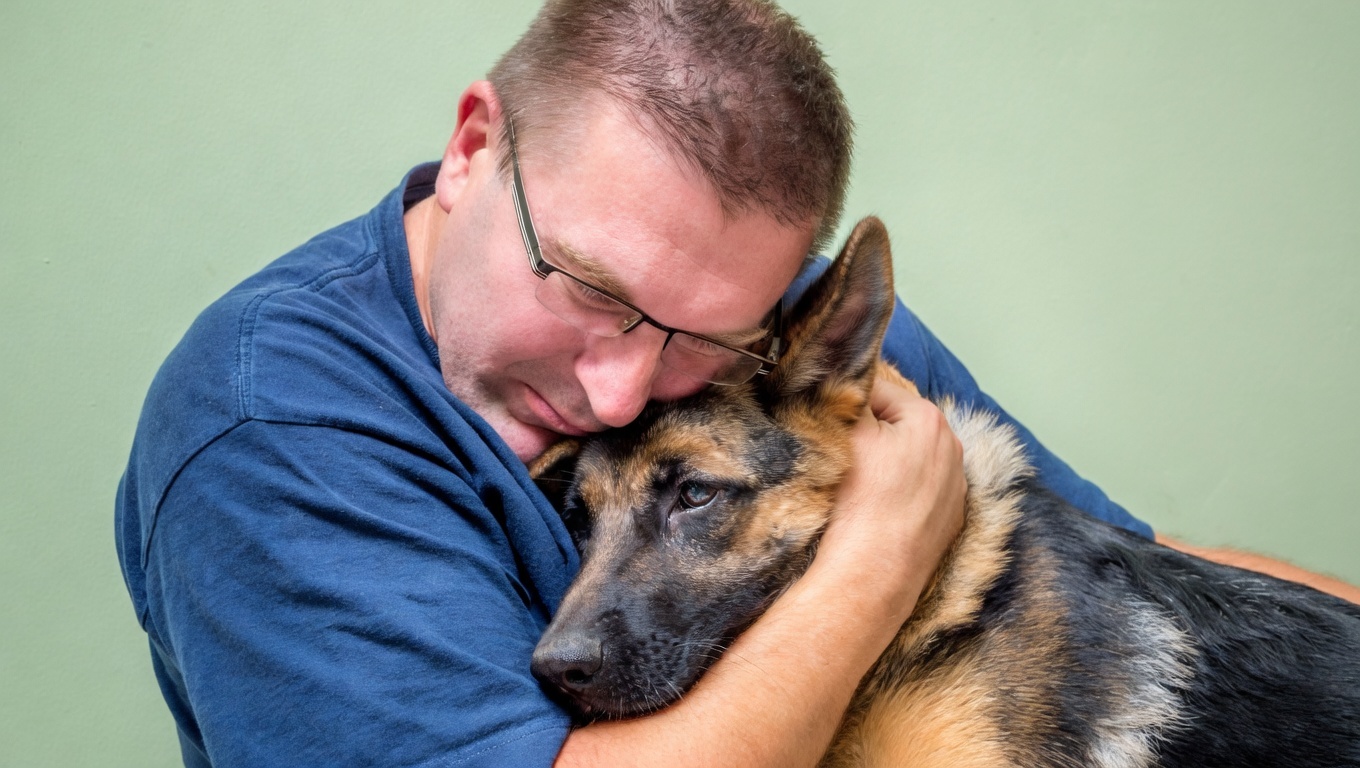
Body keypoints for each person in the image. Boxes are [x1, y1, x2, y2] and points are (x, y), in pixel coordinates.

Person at [115, 1, 1357, 766]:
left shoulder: (776, 321)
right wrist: (882, 547)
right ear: (474, 147)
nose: (620, 394)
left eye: (694, 342)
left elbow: (1124, 562)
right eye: (587, 288)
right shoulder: (274, 424)